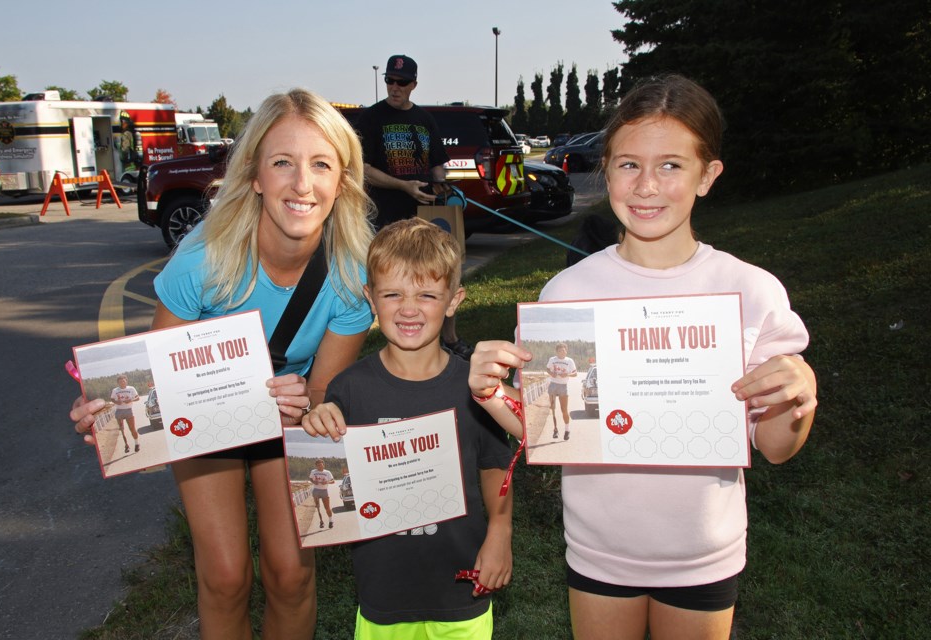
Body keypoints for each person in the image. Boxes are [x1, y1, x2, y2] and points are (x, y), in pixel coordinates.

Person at [467, 75, 818, 640]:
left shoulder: (750, 291)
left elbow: (776, 448)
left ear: (708, 176)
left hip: (703, 555)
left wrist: (798, 398)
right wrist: (490, 391)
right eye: (629, 165)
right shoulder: (567, 294)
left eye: (672, 166)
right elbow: (552, 433)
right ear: (605, 171)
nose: (647, 185)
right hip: (599, 551)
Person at [71, 88, 375, 640]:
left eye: (321, 165)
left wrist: (308, 401)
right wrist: (110, 412)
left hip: (289, 415)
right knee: (226, 576)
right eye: (282, 162)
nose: (302, 184)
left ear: (342, 181)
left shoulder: (353, 272)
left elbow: (325, 391)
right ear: (255, 175)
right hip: (209, 417)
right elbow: (158, 380)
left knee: (290, 575)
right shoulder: (203, 259)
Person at [301, 218, 514, 639]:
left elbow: (495, 466)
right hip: (383, 593)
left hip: (461, 589)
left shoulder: (475, 387)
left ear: (454, 301)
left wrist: (500, 534)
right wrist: (315, 424)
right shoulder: (348, 389)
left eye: (428, 295)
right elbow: (323, 461)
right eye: (393, 294)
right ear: (370, 298)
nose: (409, 308)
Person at [355, 54, 471, 359]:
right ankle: (390, 344)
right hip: (385, 216)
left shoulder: (424, 120)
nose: (394, 87)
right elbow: (361, 168)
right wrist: (403, 185)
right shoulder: (370, 118)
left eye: (402, 82)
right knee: (390, 282)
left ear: (414, 84)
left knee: (438, 274)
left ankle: (450, 338)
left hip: (426, 215)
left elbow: (436, 165)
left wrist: (440, 183)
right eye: (390, 81)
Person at [546, 343, 577, 440]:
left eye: (564, 350)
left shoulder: (569, 361)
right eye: (560, 351)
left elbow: (575, 373)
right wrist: (551, 373)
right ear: (557, 352)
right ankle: (555, 430)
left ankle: (567, 430)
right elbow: (547, 368)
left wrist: (567, 374)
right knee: (553, 409)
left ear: (566, 351)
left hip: (563, 386)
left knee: (564, 410)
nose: (562, 352)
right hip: (553, 385)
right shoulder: (552, 359)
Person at [110, 374, 140, 453]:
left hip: (128, 410)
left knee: (132, 429)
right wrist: (117, 402)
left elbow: (138, 397)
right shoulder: (115, 390)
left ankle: (137, 443)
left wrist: (131, 400)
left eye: (123, 381)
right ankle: (126, 445)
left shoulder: (131, 388)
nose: (122, 383)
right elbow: (112, 398)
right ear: (118, 383)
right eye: (120, 382)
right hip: (119, 411)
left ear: (126, 381)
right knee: (122, 430)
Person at [308, 459, 335, 529]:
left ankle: (331, 521)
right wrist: (313, 482)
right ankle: (321, 522)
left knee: (327, 507)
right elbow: (310, 478)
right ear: (316, 466)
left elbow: (333, 481)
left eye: (321, 465)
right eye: (318, 465)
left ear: (323, 465)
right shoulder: (313, 471)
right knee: (318, 507)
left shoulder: (327, 472)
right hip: (316, 490)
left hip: (324, 491)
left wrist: (327, 482)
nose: (319, 466)